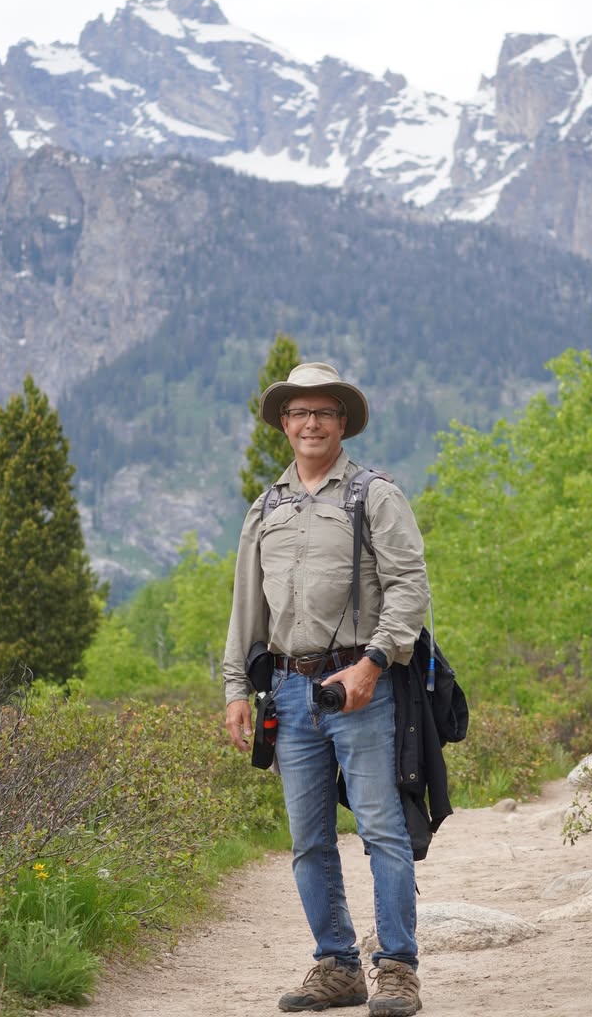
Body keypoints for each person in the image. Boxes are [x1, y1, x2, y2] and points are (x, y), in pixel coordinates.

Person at [224, 362, 430, 1016]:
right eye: (298, 413)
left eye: (323, 412)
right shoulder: (266, 508)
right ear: (284, 424)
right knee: (308, 841)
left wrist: (373, 664)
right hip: (287, 692)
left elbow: (410, 589)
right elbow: (246, 609)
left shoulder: (375, 495)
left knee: (381, 830)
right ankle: (337, 968)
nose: (310, 423)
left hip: (361, 686)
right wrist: (235, 688)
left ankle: (397, 969)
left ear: (342, 422)